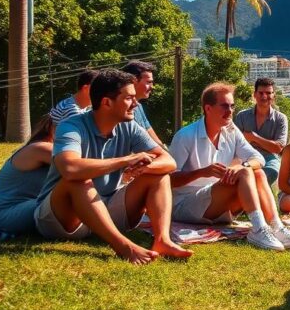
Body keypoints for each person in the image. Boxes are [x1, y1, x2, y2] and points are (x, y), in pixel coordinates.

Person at [34, 69, 192, 264]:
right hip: (62, 218)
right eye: (129, 98)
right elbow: (70, 168)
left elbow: (169, 162)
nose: (136, 104)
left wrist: (143, 168)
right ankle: (124, 247)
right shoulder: (71, 126)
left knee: (160, 174)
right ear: (107, 102)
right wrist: (126, 160)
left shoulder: (130, 126)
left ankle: (163, 241)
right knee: (79, 180)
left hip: (106, 209)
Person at [170, 83, 290, 251]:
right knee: (246, 172)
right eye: (224, 106)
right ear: (208, 108)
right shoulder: (185, 136)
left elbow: (258, 158)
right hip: (186, 206)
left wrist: (243, 165)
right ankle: (258, 229)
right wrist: (202, 172)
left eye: (232, 106)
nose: (230, 111)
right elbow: (168, 180)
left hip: (218, 204)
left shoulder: (230, 130)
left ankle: (276, 227)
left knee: (258, 174)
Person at [0, 115, 55, 234]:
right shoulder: (42, 148)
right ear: (51, 127)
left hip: (21, 208)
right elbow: (76, 167)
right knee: (64, 193)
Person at [233, 78, 289, 186]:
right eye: (261, 93)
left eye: (268, 93)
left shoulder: (281, 119)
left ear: (274, 96)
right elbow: (235, 144)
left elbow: (278, 148)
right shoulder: (242, 116)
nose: (264, 96)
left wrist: (254, 138)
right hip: (246, 157)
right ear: (254, 95)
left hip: (269, 159)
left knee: (269, 173)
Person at [121, 60, 164, 147]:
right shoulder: (120, 110)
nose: (152, 87)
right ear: (133, 81)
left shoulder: (139, 106)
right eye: (148, 82)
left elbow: (149, 131)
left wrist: (163, 149)